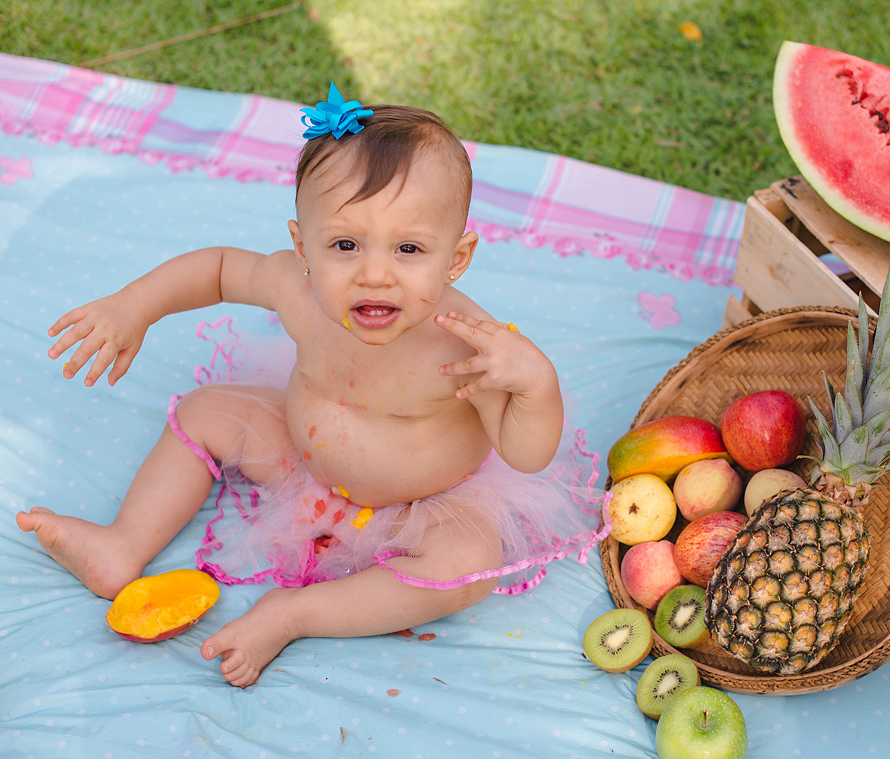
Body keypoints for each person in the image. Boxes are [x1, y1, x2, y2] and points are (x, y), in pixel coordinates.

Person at [16, 84, 605, 688]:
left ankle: (295, 615)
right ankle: (123, 545)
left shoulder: (465, 345)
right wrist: (134, 305)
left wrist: (537, 385)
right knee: (204, 410)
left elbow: (525, 453)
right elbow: (218, 268)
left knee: (467, 566)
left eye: (409, 249)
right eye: (345, 245)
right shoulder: (297, 291)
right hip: (304, 458)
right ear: (303, 247)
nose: (374, 274)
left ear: (456, 260)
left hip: (422, 505)